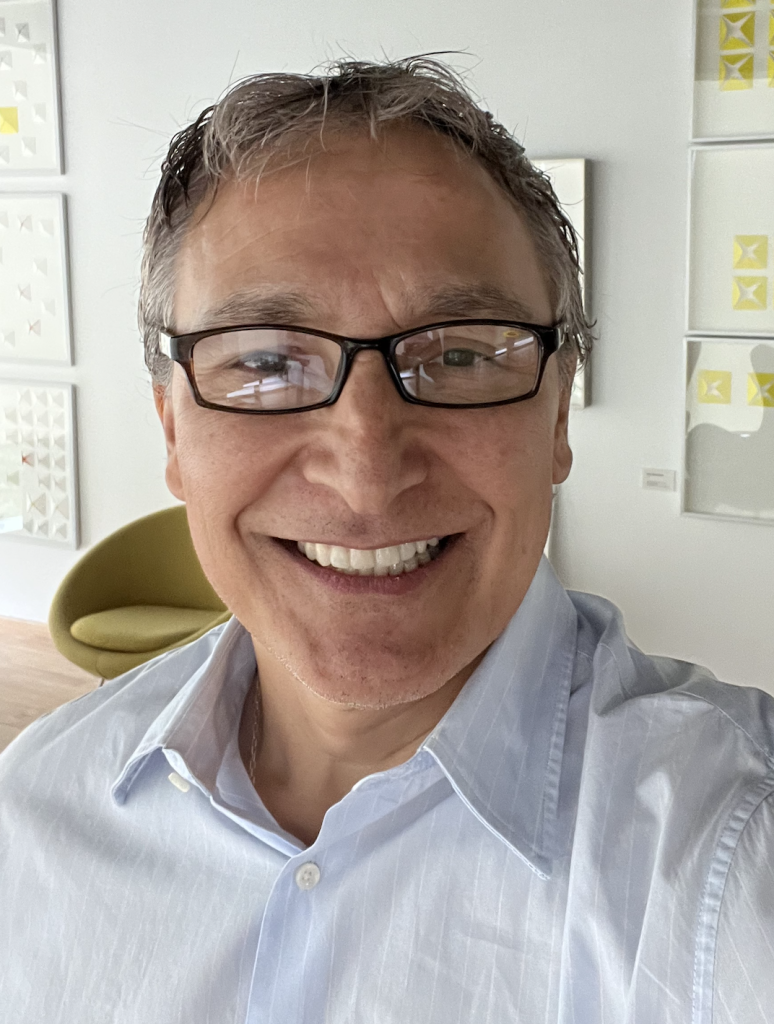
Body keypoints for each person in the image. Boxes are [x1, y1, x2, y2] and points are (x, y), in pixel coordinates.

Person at [1, 56, 772, 1024]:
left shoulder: (731, 856)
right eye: (267, 362)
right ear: (172, 431)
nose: (366, 475)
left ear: (558, 412)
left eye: (460, 354)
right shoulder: (35, 807)